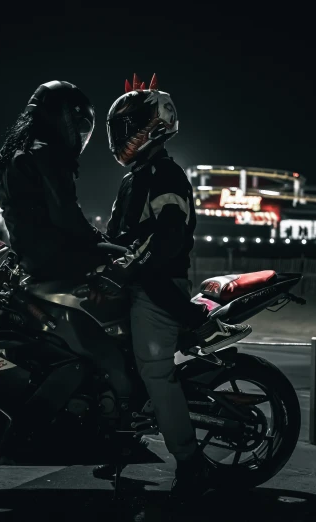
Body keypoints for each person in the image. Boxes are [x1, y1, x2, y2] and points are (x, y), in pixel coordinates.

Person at [92, 73, 251, 499]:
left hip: (157, 286)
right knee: (110, 363)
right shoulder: (134, 178)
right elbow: (113, 236)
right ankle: (122, 438)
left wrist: (127, 266)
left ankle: (190, 462)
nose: (122, 137)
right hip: (132, 282)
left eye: (129, 127)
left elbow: (167, 238)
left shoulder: (165, 174)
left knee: (155, 371)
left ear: (153, 126)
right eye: (119, 130)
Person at [0, 81, 106, 280]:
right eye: (79, 126)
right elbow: (66, 215)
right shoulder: (47, 154)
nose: (80, 137)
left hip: (30, 263)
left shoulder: (12, 156)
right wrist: (99, 239)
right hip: (58, 262)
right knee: (125, 267)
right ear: (65, 117)